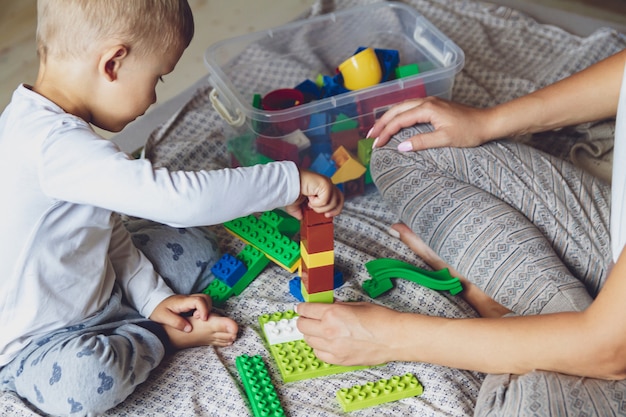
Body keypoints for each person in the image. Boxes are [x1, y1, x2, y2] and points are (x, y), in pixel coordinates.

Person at [0, 1, 344, 415]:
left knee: (196, 247)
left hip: (96, 288)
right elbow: (182, 201)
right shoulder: (54, 149)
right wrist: (287, 181)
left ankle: (137, 319)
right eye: (157, 78)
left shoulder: (50, 127)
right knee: (84, 382)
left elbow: (106, 232)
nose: (153, 97)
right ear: (113, 64)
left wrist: (152, 298)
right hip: (38, 341)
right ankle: (159, 339)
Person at [296, 49, 626, 414]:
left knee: (527, 403)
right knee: (405, 141)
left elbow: (610, 350)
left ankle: (507, 314)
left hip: (613, 342)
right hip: (613, 254)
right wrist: (488, 121)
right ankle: (550, 332)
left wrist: (391, 337)